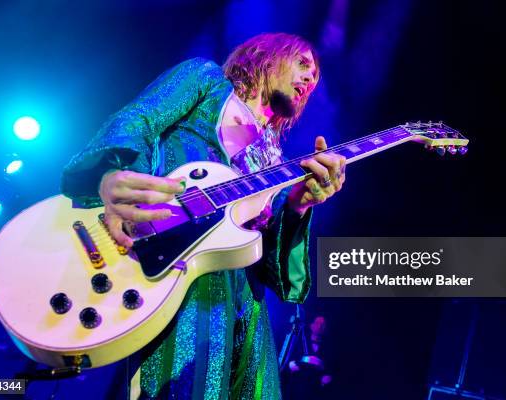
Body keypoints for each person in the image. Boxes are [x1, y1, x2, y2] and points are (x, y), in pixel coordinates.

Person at [60, 32, 346, 399]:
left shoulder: (277, 159)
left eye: (316, 76)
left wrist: (298, 205)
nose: (310, 79)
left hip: (246, 307)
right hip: (181, 272)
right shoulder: (208, 82)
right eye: (303, 63)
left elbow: (276, 270)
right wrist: (116, 172)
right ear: (264, 55)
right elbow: (138, 119)